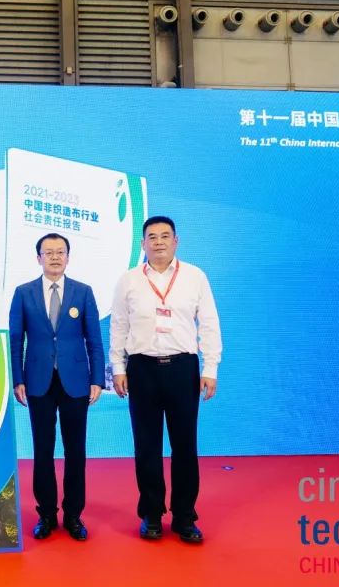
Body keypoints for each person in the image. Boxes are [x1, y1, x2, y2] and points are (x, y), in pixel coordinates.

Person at [110, 216, 222, 544]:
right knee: (146, 445)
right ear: (143, 244)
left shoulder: (195, 276)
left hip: (182, 368)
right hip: (141, 368)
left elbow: (209, 323)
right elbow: (119, 325)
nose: (158, 242)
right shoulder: (129, 280)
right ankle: (152, 514)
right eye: (152, 237)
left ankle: (185, 516)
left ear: (176, 241)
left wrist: (210, 368)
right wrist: (118, 367)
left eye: (165, 236)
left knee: (185, 445)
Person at [8, 233, 105, 541]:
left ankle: (74, 515)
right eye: (48, 252)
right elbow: (15, 340)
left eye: (59, 252)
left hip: (75, 382)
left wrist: (97, 379)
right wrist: (17, 378)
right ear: (38, 258)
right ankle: (47, 515)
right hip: (38, 382)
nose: (54, 257)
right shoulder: (23, 293)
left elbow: (94, 339)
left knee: (76, 451)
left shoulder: (83, 292)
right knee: (43, 450)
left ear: (68, 257)